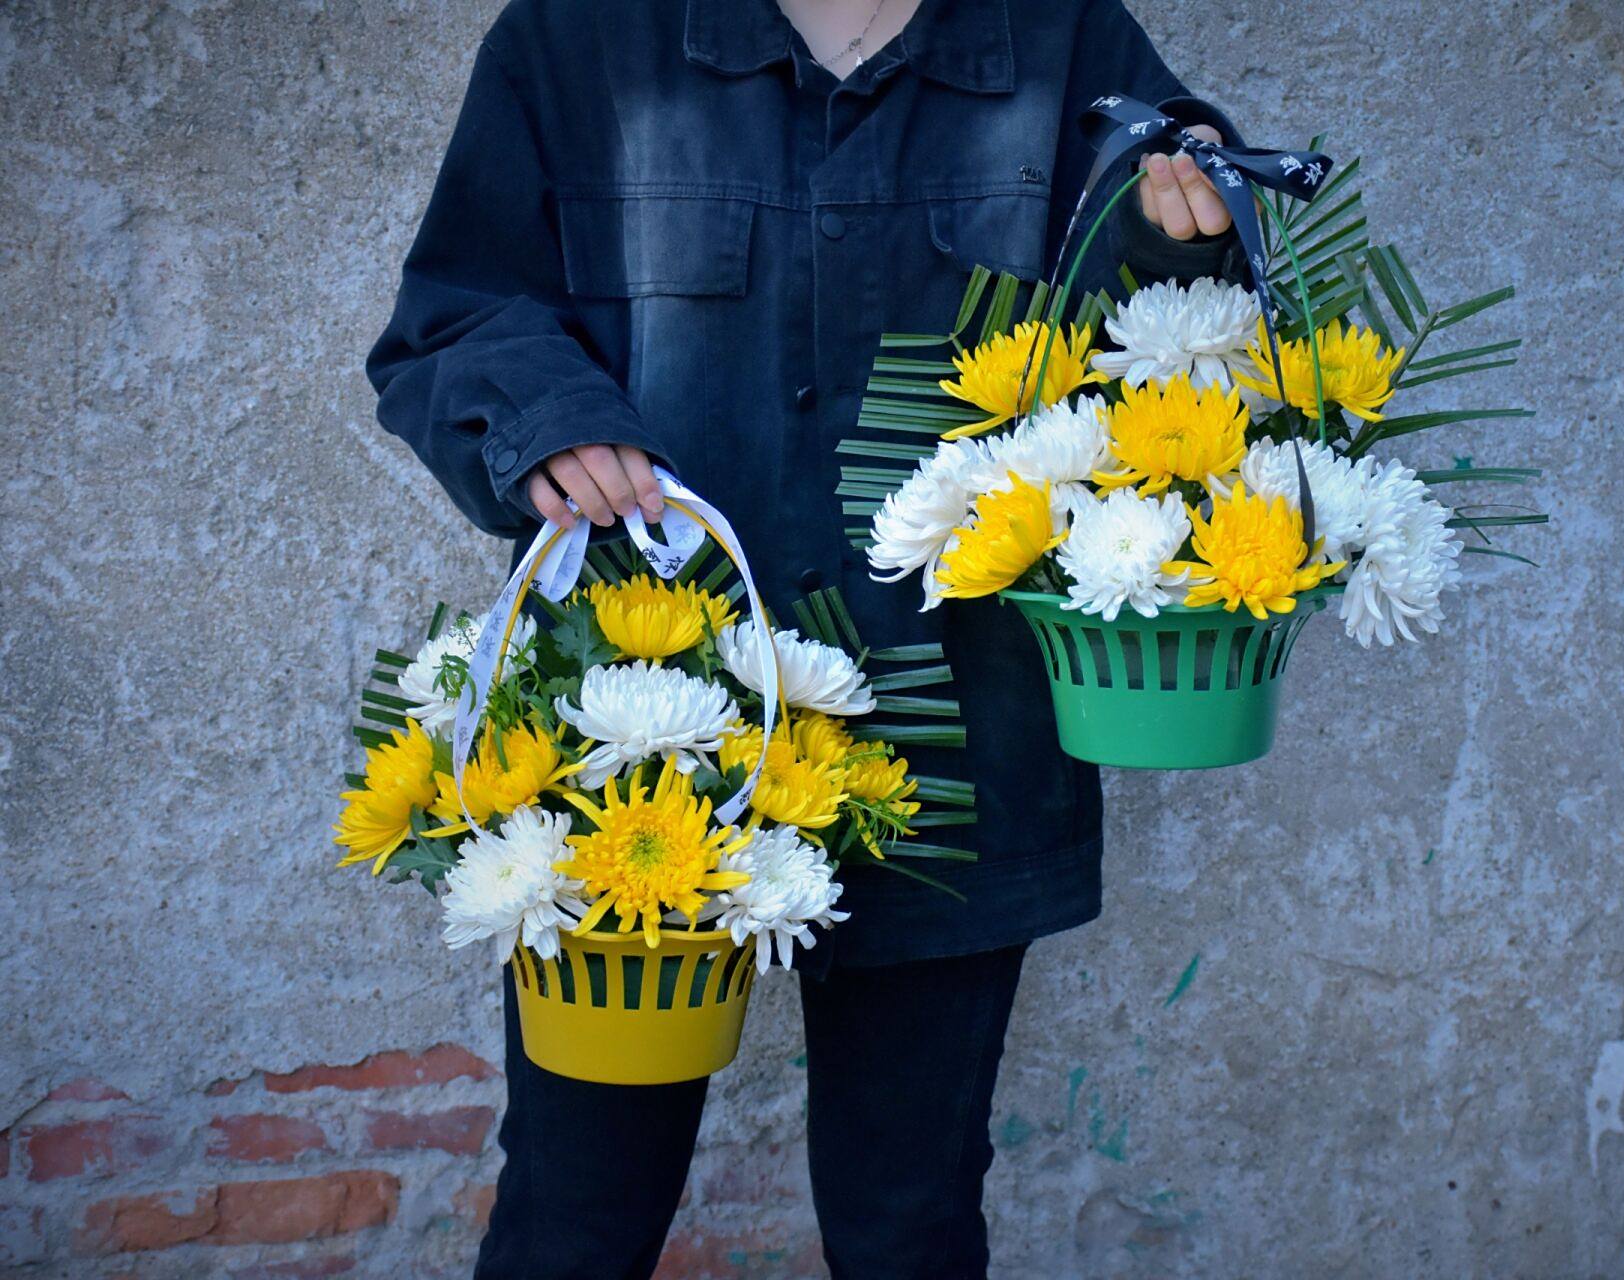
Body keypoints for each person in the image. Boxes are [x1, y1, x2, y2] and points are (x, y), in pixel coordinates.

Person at [365, 1, 1249, 1275]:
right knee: (577, 1205)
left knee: (911, 1213)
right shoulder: (577, 38)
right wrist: (546, 419)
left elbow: (1152, 338)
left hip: (950, 721)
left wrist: (1200, 239)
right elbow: (451, 311)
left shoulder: (1057, 37)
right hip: (642, 730)